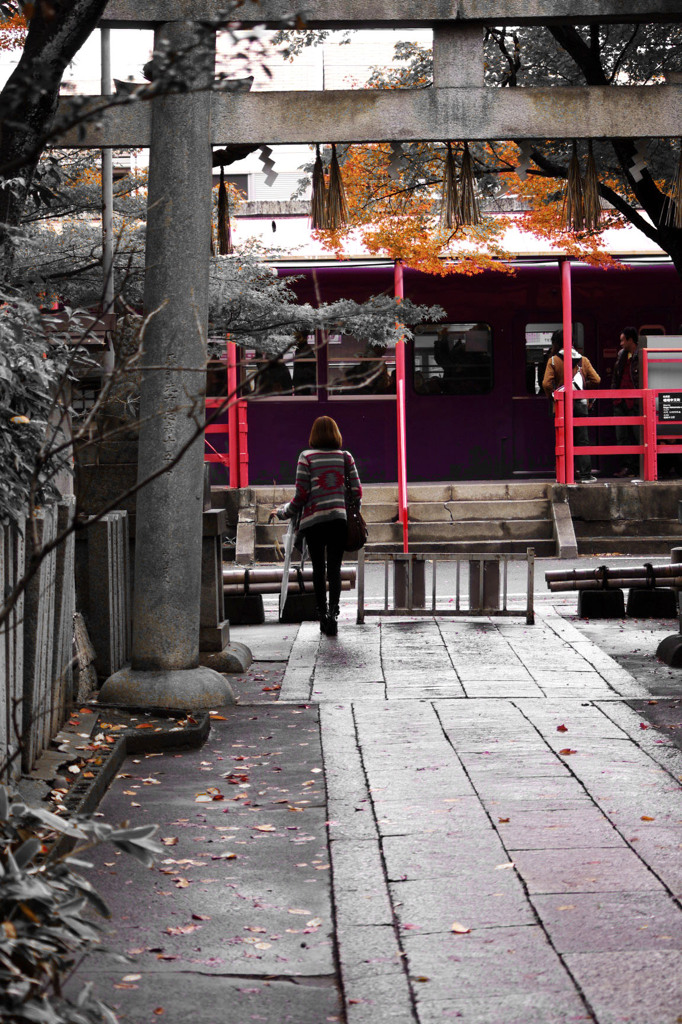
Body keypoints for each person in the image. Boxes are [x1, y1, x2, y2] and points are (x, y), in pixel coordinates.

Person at [272, 416, 362, 637]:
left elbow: (301, 495)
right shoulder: (345, 457)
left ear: (314, 435)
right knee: (334, 569)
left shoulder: (306, 457)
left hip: (314, 523)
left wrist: (283, 513)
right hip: (339, 521)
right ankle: (334, 613)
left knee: (319, 571)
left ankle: (322, 615)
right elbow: (357, 492)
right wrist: (346, 510)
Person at [542, 329, 601, 482]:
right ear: (572, 342)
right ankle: (585, 475)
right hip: (580, 405)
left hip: (561, 407)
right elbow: (597, 380)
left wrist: (554, 396)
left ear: (555, 343)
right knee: (582, 440)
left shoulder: (553, 361)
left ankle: (566, 474)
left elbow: (546, 384)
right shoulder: (583, 360)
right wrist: (583, 389)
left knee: (563, 440)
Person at [611, 326, 640, 477]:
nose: (621, 344)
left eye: (623, 340)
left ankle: (638, 468)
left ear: (630, 340)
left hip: (635, 402)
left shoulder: (641, 355)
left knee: (637, 436)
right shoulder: (621, 356)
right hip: (620, 401)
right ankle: (627, 467)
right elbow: (616, 378)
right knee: (622, 436)